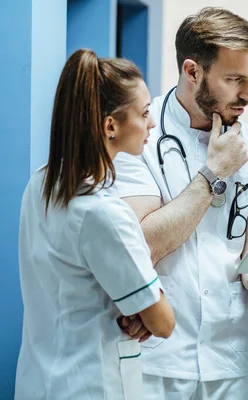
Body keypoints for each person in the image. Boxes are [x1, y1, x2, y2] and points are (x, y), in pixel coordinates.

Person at [113, 7, 248, 400]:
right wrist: (213, 174)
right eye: (235, 79)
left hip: (226, 360)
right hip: (154, 357)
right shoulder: (139, 133)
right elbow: (138, 244)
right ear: (192, 72)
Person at [14, 49, 175, 400]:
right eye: (145, 113)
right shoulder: (104, 213)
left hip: (38, 381)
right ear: (110, 126)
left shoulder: (39, 186)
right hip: (91, 385)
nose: (150, 124)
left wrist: (138, 306)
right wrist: (147, 306)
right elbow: (163, 323)